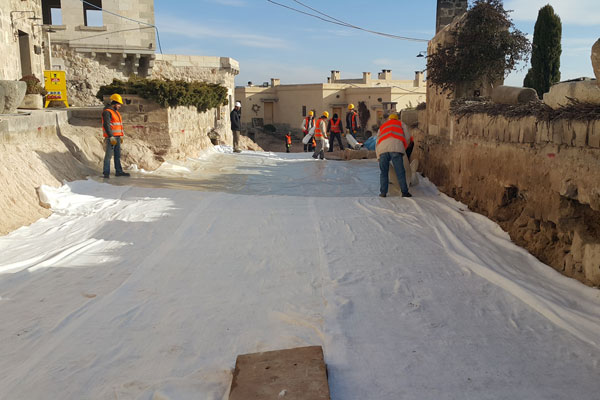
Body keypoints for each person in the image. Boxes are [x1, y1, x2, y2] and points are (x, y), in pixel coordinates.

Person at [376, 112, 413, 198]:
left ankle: (383, 193)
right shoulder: (400, 123)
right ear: (397, 118)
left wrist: (378, 156)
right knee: (400, 172)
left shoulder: (383, 126)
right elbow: (407, 136)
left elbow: (377, 141)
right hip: (396, 148)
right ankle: (404, 192)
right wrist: (403, 147)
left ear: (389, 119)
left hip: (382, 150)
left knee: (384, 173)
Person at [102, 93, 130, 179]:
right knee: (109, 155)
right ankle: (106, 173)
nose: (120, 106)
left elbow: (118, 125)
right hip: (112, 137)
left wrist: (121, 135)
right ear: (114, 103)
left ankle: (119, 171)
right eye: (118, 104)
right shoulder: (107, 112)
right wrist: (111, 136)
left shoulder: (116, 112)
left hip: (117, 137)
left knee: (117, 155)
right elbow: (107, 125)